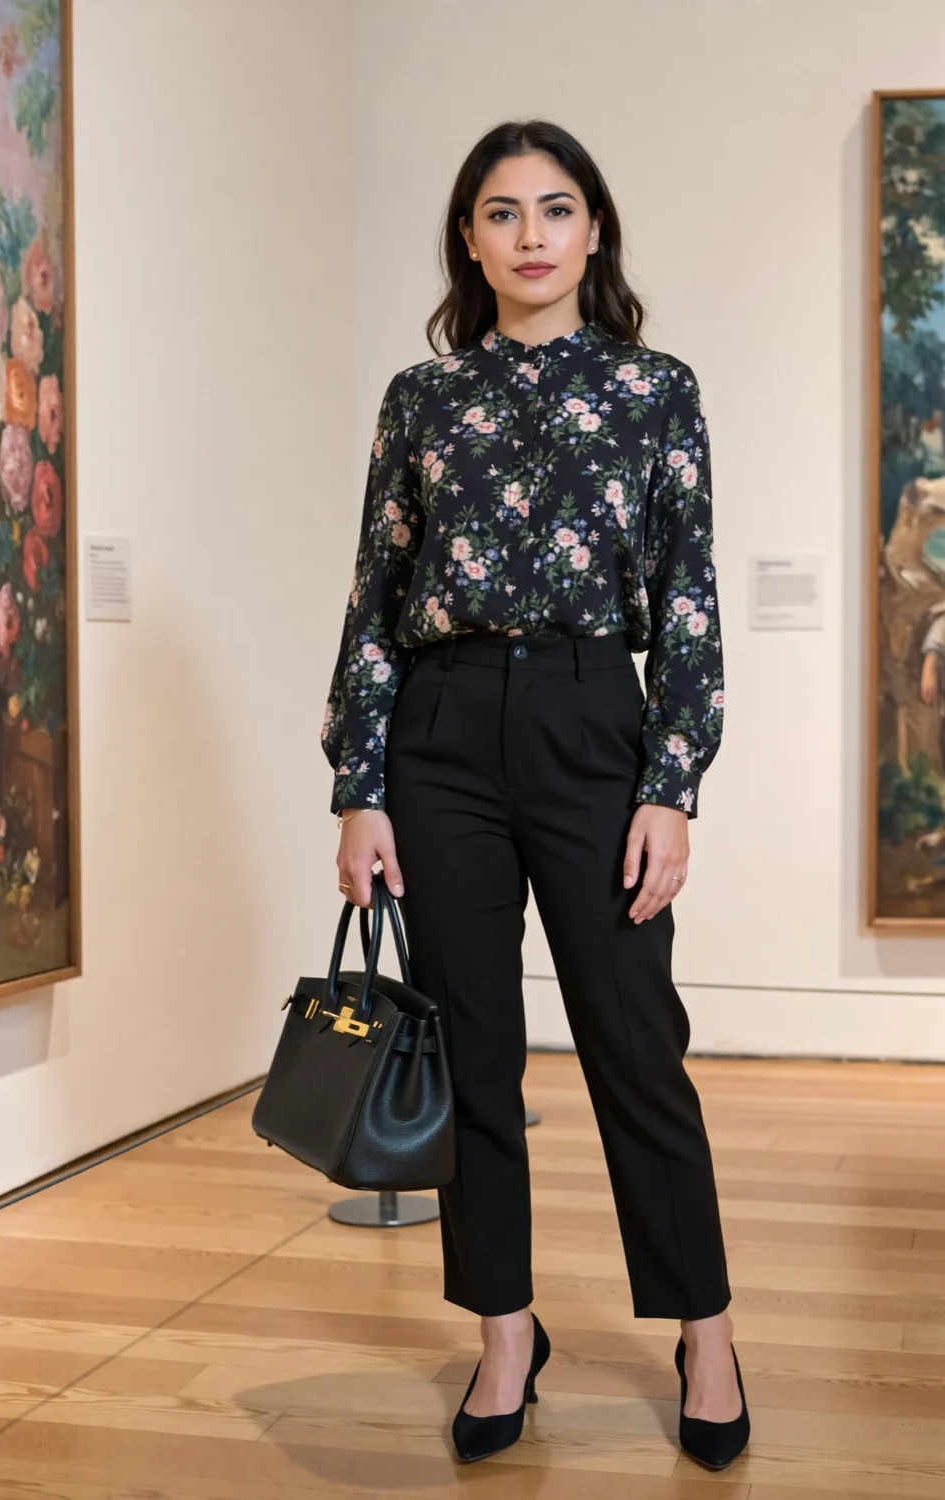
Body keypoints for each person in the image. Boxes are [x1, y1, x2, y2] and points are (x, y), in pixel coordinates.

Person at [320, 118, 749, 1472]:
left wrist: (671, 783)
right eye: (501, 213)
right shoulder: (420, 399)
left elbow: (687, 597)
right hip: (441, 736)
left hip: (590, 725)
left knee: (637, 1043)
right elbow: (377, 602)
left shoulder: (655, 391)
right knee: (473, 1056)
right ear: (469, 239)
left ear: (594, 231)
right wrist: (360, 786)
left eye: (556, 210)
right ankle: (504, 1327)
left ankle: (706, 1327)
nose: (531, 236)